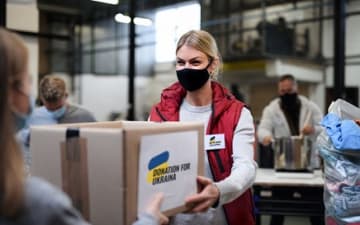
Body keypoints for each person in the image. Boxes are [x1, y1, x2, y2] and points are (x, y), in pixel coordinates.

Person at [0, 27, 168, 225]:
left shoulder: (83, 116)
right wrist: (149, 219)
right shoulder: (36, 203)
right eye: (27, 79)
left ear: (66, 97)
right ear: (12, 93)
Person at [149, 30, 257, 225]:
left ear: (213, 64)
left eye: (195, 62)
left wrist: (218, 191)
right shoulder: (159, 114)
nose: (186, 68)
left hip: (221, 218)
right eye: (181, 62)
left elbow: (246, 167)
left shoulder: (237, 114)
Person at [257, 74, 323, 225]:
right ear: (279, 91)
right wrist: (266, 137)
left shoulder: (310, 107)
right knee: (277, 212)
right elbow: (262, 130)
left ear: (296, 88)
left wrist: (313, 129)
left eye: (289, 90)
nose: (286, 94)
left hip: (308, 165)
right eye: (283, 91)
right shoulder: (271, 109)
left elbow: (326, 128)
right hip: (283, 164)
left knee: (316, 213)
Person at [18, 75, 96, 172]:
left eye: (58, 107)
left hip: (73, 170)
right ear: (42, 99)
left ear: (66, 96)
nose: (55, 112)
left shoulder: (85, 117)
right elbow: (21, 146)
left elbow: (95, 150)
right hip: (44, 171)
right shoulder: (33, 117)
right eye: (49, 109)